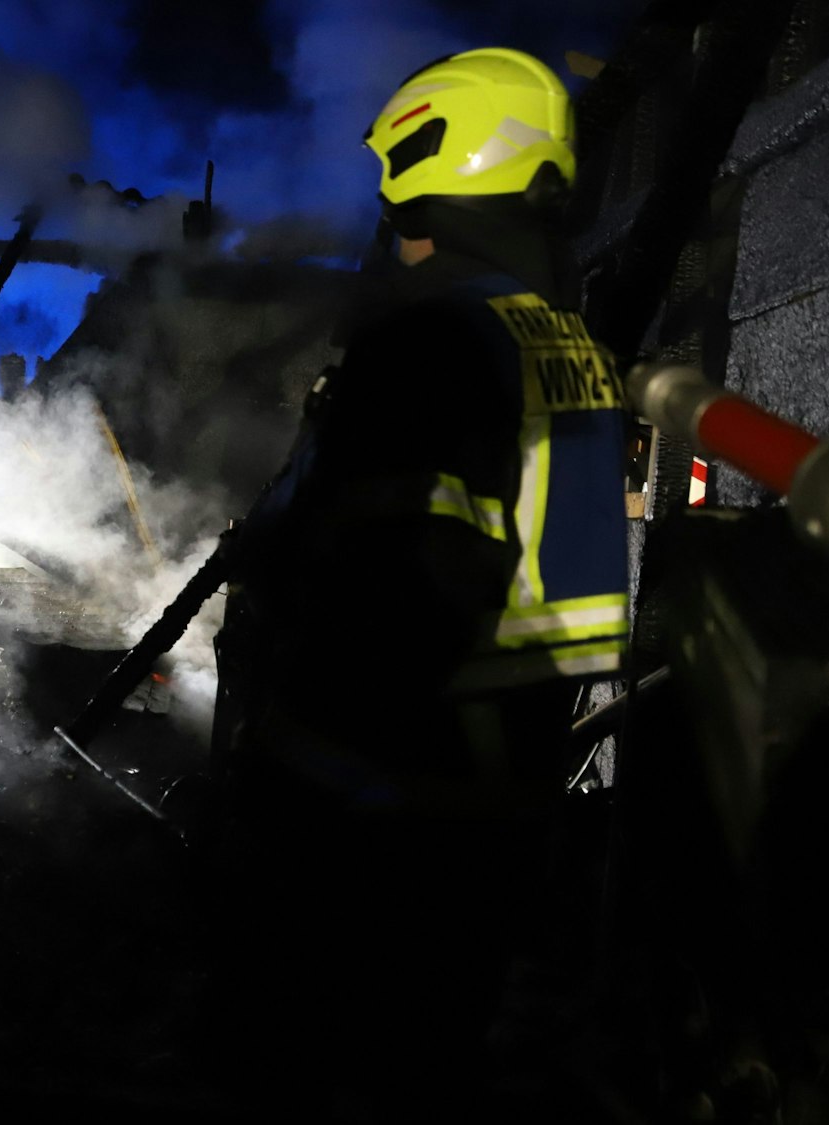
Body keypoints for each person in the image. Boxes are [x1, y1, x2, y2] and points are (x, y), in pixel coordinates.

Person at [205, 48, 629, 1116]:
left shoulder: (433, 340)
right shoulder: (563, 338)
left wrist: (280, 784)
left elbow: (381, 590)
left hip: (375, 808)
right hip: (506, 793)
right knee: (432, 1066)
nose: (392, 228)